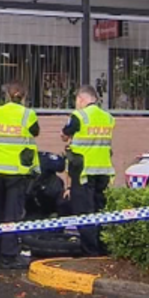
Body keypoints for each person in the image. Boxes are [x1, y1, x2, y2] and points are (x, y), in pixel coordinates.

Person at [0, 81, 40, 269]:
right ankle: (8, 257)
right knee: (12, 215)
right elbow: (35, 132)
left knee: (0, 213)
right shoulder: (28, 114)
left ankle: (0, 251)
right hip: (16, 172)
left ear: (7, 96)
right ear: (24, 97)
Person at [61, 85, 115, 256]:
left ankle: (90, 252)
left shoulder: (79, 116)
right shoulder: (108, 117)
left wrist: (68, 139)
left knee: (84, 212)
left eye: (77, 100)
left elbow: (65, 134)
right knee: (100, 210)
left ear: (82, 99)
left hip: (83, 172)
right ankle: (103, 247)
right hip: (104, 172)